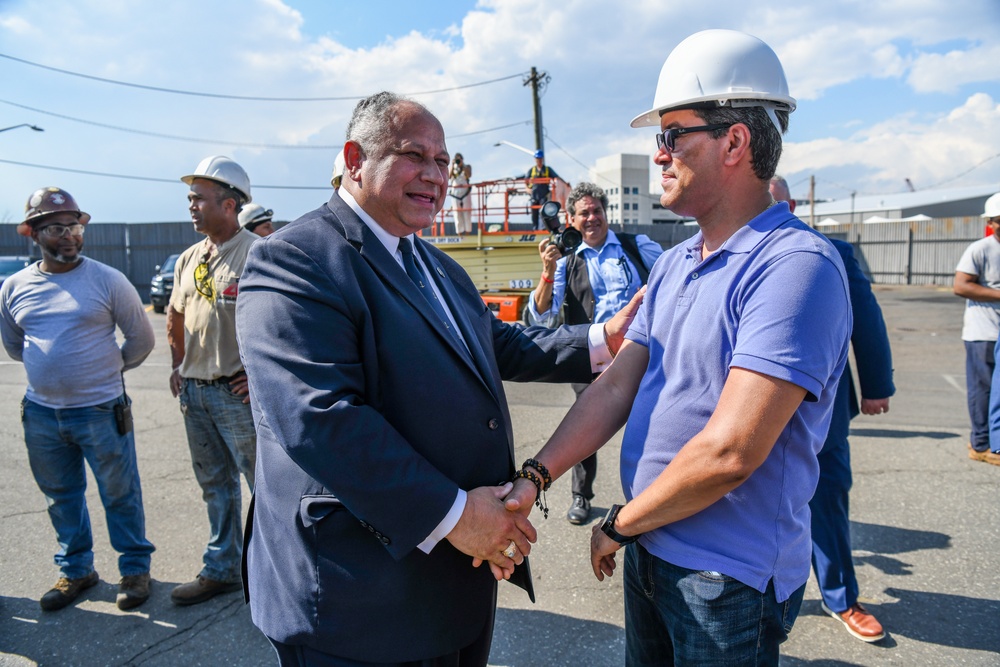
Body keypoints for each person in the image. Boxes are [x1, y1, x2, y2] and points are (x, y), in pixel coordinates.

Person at [234, 91, 640, 666]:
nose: (434, 175)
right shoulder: (296, 258)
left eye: (443, 162)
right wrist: (456, 515)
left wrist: (602, 340)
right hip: (360, 596)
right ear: (354, 158)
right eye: (413, 155)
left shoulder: (434, 263)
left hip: (457, 574)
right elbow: (318, 417)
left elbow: (496, 344)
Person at [504, 30, 851, 665]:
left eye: (671, 135)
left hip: (726, 578)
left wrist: (618, 524)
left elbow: (730, 453)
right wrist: (536, 476)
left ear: (736, 142)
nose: (657, 154)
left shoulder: (794, 266)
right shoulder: (673, 264)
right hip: (652, 547)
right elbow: (614, 387)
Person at [0, 187, 156, 612]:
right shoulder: (15, 287)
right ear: (33, 233)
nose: (68, 236)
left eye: (74, 226)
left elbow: (140, 340)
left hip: (101, 410)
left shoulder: (108, 280)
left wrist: (106, 371)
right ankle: (76, 571)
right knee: (61, 497)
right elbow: (15, 345)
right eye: (56, 228)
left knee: (120, 493)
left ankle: (135, 570)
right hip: (42, 414)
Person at [772, 175, 895, 642]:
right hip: (745, 406)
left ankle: (840, 595)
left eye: (778, 202)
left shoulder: (833, 254)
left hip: (821, 409)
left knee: (827, 495)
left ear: (793, 203)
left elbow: (868, 321)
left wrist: (876, 385)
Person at [527, 181, 663, 524]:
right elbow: (541, 315)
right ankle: (580, 495)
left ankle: (655, 498)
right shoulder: (568, 261)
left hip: (643, 354)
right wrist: (547, 272)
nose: (592, 218)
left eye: (597, 211)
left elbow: (672, 279)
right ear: (570, 219)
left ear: (606, 214)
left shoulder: (636, 246)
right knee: (586, 427)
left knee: (655, 426)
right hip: (595, 356)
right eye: (584, 213)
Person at [167, 155, 259, 606]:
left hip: (237, 396)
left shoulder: (257, 254)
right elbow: (176, 314)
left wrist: (259, 378)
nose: (191, 206)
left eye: (198, 199)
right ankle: (222, 568)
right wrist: (177, 364)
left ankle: (275, 572)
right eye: (189, 198)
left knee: (265, 487)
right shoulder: (189, 257)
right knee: (215, 487)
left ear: (229, 204)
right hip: (196, 394)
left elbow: (282, 325)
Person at [954, 191, 1000, 463]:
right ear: (991, 222)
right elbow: (961, 286)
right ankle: (980, 444)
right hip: (983, 333)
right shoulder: (980, 249)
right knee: (983, 389)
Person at [522, 149, 566, 230]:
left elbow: (557, 177)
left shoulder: (547, 169)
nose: (538, 160)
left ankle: (543, 228)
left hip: (544, 195)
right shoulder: (532, 170)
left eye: (540, 158)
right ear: (535, 159)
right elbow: (526, 180)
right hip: (534, 195)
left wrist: (565, 183)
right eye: (537, 158)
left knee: (544, 211)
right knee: (534, 213)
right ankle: (535, 229)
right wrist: (527, 188)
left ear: (542, 159)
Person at [449, 153, 473, 235]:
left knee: (467, 212)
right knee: (457, 213)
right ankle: (459, 233)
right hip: (455, 193)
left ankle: (467, 233)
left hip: (465, 193)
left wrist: (462, 165)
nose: (458, 161)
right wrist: (452, 164)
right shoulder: (453, 168)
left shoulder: (467, 167)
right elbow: (449, 176)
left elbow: (469, 175)